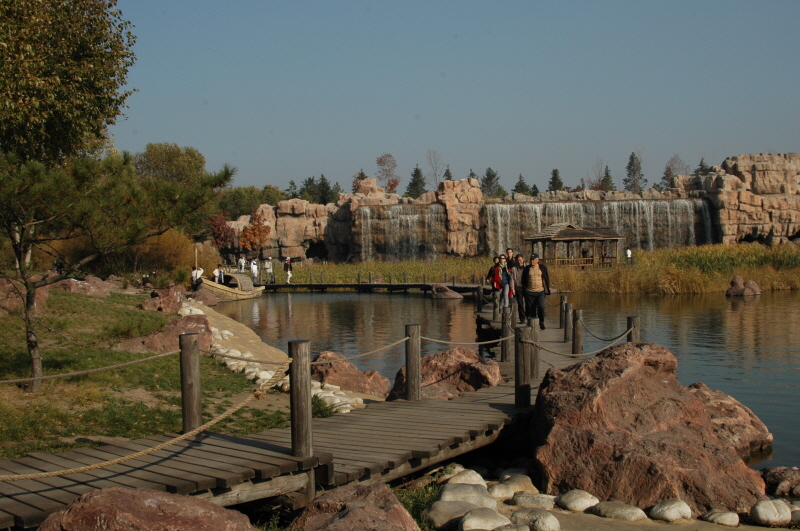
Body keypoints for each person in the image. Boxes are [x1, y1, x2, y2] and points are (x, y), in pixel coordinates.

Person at [521, 253, 551, 330]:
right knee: (531, 309)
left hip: (540, 291)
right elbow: (523, 280)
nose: (532, 261)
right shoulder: (527, 268)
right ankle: (533, 325)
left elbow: (546, 278)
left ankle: (541, 322)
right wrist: (525, 290)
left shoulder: (543, 268)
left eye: (533, 259)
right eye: (531, 259)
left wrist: (547, 288)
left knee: (541, 306)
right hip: (530, 291)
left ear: (537, 260)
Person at [509, 253, 527, 323]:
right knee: (520, 303)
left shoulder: (527, 267)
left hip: (526, 287)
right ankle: (522, 319)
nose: (520, 262)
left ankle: (528, 316)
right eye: (518, 260)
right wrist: (513, 288)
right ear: (516, 260)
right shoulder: (514, 268)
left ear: (523, 259)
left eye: (521, 260)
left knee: (527, 303)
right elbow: (512, 279)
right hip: (518, 287)